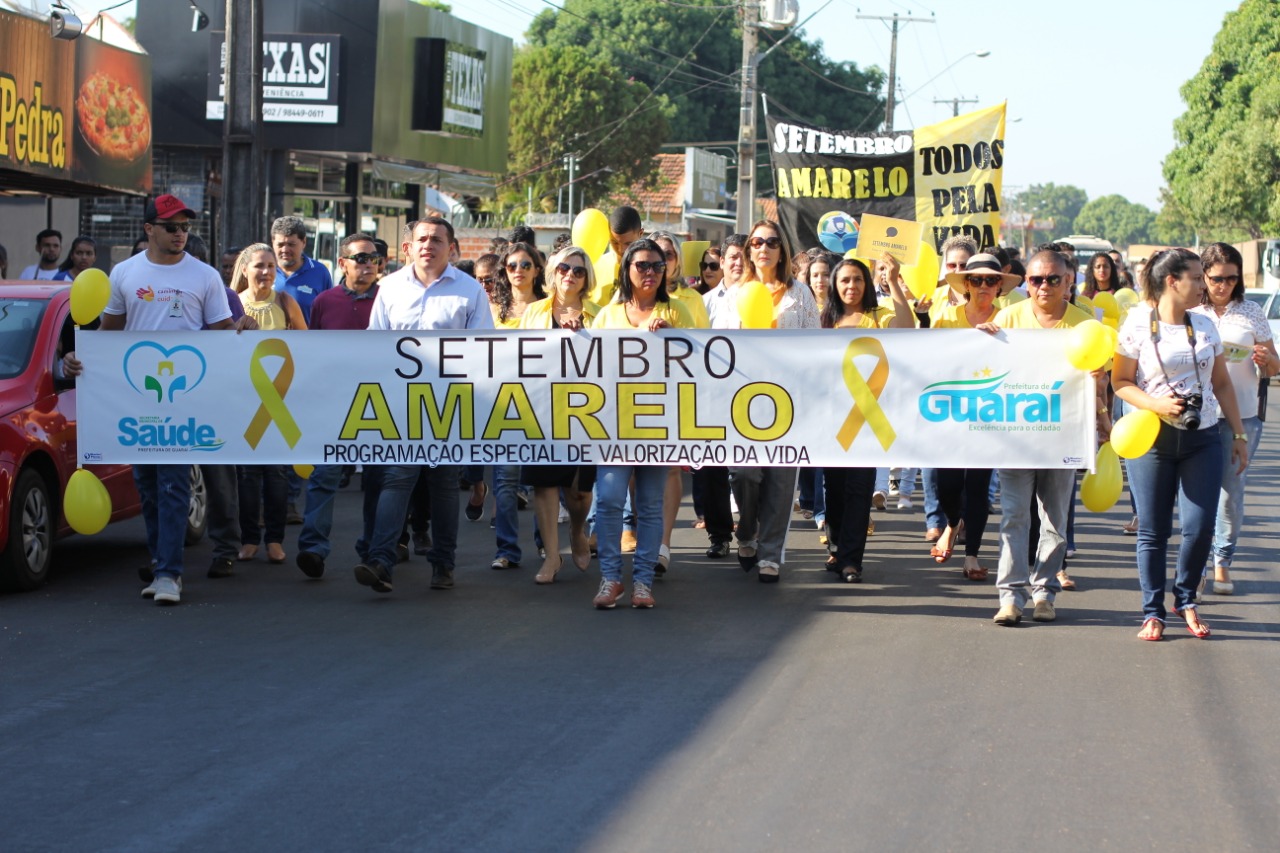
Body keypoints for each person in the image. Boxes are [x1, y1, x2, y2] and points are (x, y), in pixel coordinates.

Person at [62, 194, 235, 605]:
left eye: (185, 227)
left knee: (174, 482)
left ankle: (170, 574)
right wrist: (78, 357)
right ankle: (162, 561)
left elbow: (222, 332)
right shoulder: (124, 273)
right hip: (137, 398)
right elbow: (111, 332)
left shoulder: (205, 276)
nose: (180, 234)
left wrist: (241, 328)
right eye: (171, 227)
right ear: (149, 229)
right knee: (148, 484)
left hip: (184, 397)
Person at [1112, 247, 1248, 641]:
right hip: (1151, 439)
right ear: (1173, 281)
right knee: (1153, 531)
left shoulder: (1204, 325)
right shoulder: (1137, 324)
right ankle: (1152, 612)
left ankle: (1185, 599)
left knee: (1200, 526)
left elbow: (1221, 383)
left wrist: (1237, 435)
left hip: (1202, 438)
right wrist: (1155, 404)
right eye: (1196, 277)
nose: (1205, 285)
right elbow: (1119, 382)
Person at [354, 217, 492, 595]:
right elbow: (375, 343)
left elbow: (486, 347)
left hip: (450, 403)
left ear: (452, 248)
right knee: (397, 478)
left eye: (437, 239)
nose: (429, 245)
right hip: (401, 403)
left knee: (444, 483)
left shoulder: (470, 291)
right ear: (407, 248)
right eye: (422, 239)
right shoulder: (390, 288)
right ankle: (381, 559)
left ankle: (443, 563)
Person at [591, 238, 694, 608]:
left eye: (657, 266)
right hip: (614, 423)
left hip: (659, 421)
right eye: (642, 266)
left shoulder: (678, 310)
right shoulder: (607, 314)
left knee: (650, 505)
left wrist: (673, 337)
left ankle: (643, 583)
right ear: (627, 270)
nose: (650, 272)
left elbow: (696, 365)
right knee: (609, 500)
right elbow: (589, 364)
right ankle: (610, 579)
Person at [730, 220, 818, 583]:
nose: (762, 248)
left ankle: (770, 555)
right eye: (756, 242)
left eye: (771, 242)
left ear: (781, 250)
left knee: (782, 480)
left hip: (790, 398)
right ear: (749, 250)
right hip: (742, 399)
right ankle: (747, 529)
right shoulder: (735, 294)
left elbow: (816, 345)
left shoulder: (801, 294)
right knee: (745, 473)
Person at [1191, 242, 1279, 596]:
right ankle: (1194, 565)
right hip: (1197, 414)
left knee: (1230, 493)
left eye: (1231, 278)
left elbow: (1274, 364)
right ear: (1204, 276)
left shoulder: (1252, 312)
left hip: (1243, 415)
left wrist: (1265, 361)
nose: (1223, 285)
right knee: (1196, 495)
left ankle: (1222, 562)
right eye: (1216, 278)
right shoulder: (1191, 311)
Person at [292, 234, 381, 579]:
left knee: (376, 480)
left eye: (373, 258)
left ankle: (374, 548)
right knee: (324, 476)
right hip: (334, 402)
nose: (368, 264)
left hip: (379, 405)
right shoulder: (325, 302)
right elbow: (316, 352)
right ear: (342, 263)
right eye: (360, 258)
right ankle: (313, 548)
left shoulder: (389, 299)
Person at [821, 255, 913, 583]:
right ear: (834, 285)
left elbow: (906, 327)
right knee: (833, 489)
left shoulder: (878, 315)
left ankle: (851, 561)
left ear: (867, 284)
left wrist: (896, 281)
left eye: (858, 280)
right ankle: (836, 548)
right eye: (845, 280)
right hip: (833, 420)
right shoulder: (823, 319)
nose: (851, 286)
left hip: (869, 420)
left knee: (859, 489)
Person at [925, 254, 1014, 582]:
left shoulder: (1011, 320)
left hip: (990, 415)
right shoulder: (946, 317)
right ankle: (952, 523)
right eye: (976, 279)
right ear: (965, 284)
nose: (984, 286)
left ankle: (972, 555)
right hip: (949, 413)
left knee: (977, 486)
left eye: (991, 280)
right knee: (946, 484)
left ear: (1000, 286)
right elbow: (929, 360)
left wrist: (1000, 341)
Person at [518, 245, 600, 583]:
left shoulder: (599, 313)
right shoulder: (535, 312)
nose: (570, 275)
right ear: (553, 271)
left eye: (578, 271)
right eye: (564, 268)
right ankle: (551, 557)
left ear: (587, 279)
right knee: (545, 484)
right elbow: (520, 356)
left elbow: (610, 358)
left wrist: (582, 334)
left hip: (586, 411)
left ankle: (578, 532)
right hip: (541, 408)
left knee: (579, 491)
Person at [230, 243, 306, 565]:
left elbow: (307, 346)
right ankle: (249, 540)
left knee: (276, 473)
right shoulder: (230, 304)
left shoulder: (286, 302)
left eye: (271, 266)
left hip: (279, 402)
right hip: (244, 402)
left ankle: (275, 539)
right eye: (259, 265)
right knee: (246, 475)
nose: (266, 272)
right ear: (245, 269)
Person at [485, 241, 547, 571]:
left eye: (526, 265)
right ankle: (507, 549)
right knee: (505, 483)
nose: (518, 271)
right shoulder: (492, 311)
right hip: (502, 406)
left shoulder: (549, 308)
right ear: (504, 272)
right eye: (512, 266)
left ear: (537, 270)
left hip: (541, 405)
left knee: (541, 482)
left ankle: (544, 544)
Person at [696, 233, 746, 560]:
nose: (738, 263)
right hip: (712, 396)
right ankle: (719, 533)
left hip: (753, 396)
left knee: (747, 471)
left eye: (745, 257)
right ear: (723, 262)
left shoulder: (770, 299)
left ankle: (751, 528)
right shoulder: (706, 302)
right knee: (711, 468)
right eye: (732, 257)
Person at [270, 215, 333, 324]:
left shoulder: (320, 272)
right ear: (272, 242)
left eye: (291, 244)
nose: (285, 250)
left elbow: (329, 315)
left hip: (307, 341)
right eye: (280, 245)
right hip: (268, 341)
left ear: (303, 242)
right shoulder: (261, 271)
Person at [587, 205, 645, 306]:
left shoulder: (651, 268)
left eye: (628, 243)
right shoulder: (595, 267)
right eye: (615, 243)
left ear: (641, 234)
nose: (621, 250)